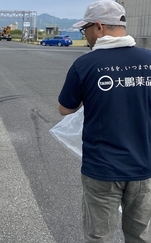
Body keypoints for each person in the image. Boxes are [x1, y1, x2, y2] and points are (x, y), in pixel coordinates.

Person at [57, 1, 151, 242]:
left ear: (98, 26)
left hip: (102, 169)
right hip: (144, 168)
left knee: (100, 237)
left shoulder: (85, 64)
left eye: (85, 29)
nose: (85, 35)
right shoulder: (148, 60)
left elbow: (65, 108)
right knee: (140, 235)